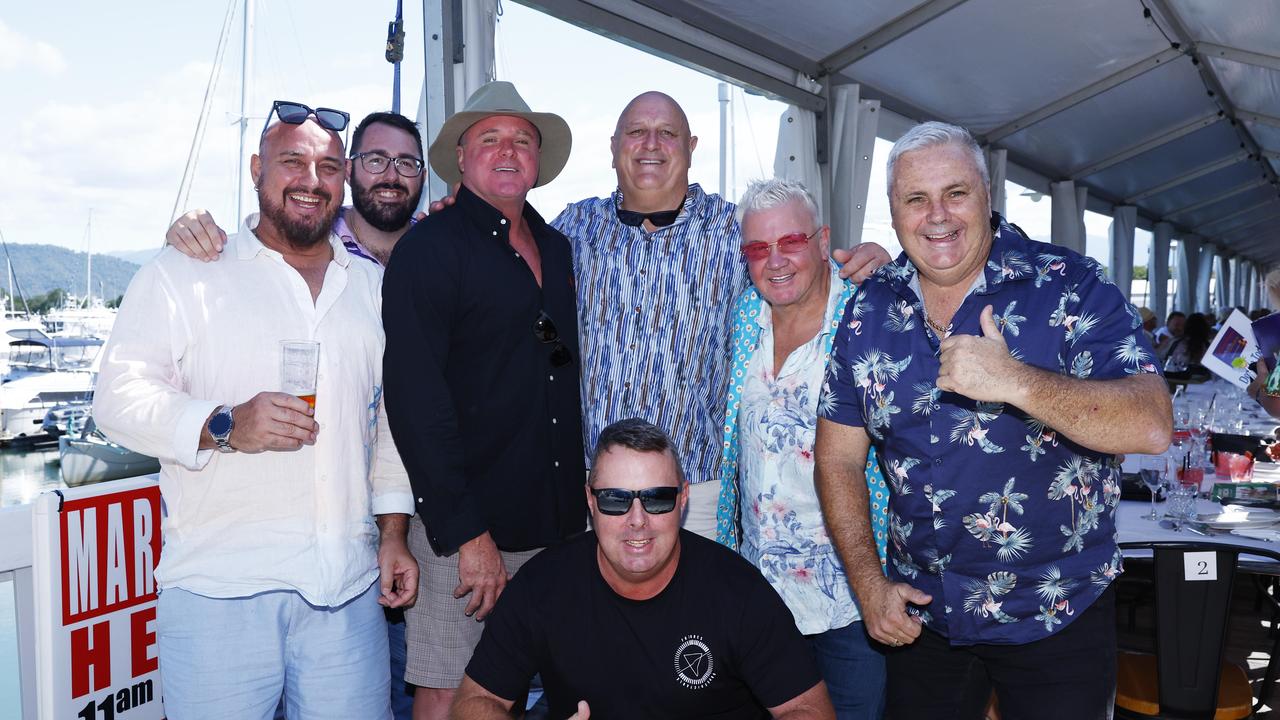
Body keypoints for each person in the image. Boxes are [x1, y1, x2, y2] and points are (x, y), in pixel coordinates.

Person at [814, 121, 1171, 719]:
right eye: (915, 199)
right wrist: (869, 584)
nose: (937, 216)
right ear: (893, 211)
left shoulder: (1069, 286)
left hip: (1056, 615)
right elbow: (837, 458)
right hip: (923, 619)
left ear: (986, 193)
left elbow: (1152, 422)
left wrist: (1015, 381)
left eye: (955, 193)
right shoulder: (868, 310)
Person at [94, 102, 418, 718]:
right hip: (221, 593)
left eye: (327, 165)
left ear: (344, 177)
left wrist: (394, 532)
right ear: (255, 169)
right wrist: (223, 424)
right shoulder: (185, 273)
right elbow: (116, 398)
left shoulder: (372, 290)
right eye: (291, 161)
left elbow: (390, 428)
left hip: (346, 594)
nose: (310, 178)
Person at [545, 91, 890, 539]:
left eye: (667, 133)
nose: (651, 144)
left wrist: (880, 263)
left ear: (690, 148)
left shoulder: (733, 229)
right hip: (601, 485)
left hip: (700, 490)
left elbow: (807, 266)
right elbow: (508, 262)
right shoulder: (572, 228)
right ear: (613, 148)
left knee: (700, 608)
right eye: (637, 132)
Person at [381, 81, 586, 720]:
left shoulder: (557, 247)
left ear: (537, 160)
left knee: (550, 687)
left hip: (554, 528)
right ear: (462, 157)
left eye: (521, 140)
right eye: (489, 139)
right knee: (452, 689)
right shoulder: (429, 249)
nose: (507, 151)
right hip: (466, 530)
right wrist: (469, 534)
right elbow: (414, 401)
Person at [452, 418, 836, 720]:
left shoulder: (737, 592)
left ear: (683, 499)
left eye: (657, 499)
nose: (637, 520)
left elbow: (806, 710)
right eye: (616, 500)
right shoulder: (544, 586)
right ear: (590, 500)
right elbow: (475, 700)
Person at [713, 178, 889, 718]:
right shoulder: (745, 315)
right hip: (762, 597)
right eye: (757, 248)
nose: (775, 261)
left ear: (822, 240)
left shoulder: (869, 311)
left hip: (852, 596)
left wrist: (890, 260)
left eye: (790, 241)